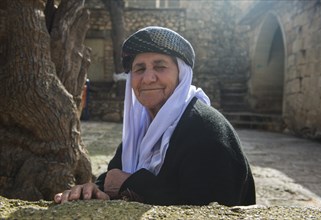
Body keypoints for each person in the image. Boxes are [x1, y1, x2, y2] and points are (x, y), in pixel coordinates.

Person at [54, 26, 256, 206]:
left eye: (160, 66)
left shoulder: (204, 129)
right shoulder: (141, 131)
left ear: (181, 74)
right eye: (139, 69)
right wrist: (93, 189)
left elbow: (209, 205)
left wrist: (130, 183)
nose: (148, 78)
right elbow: (114, 177)